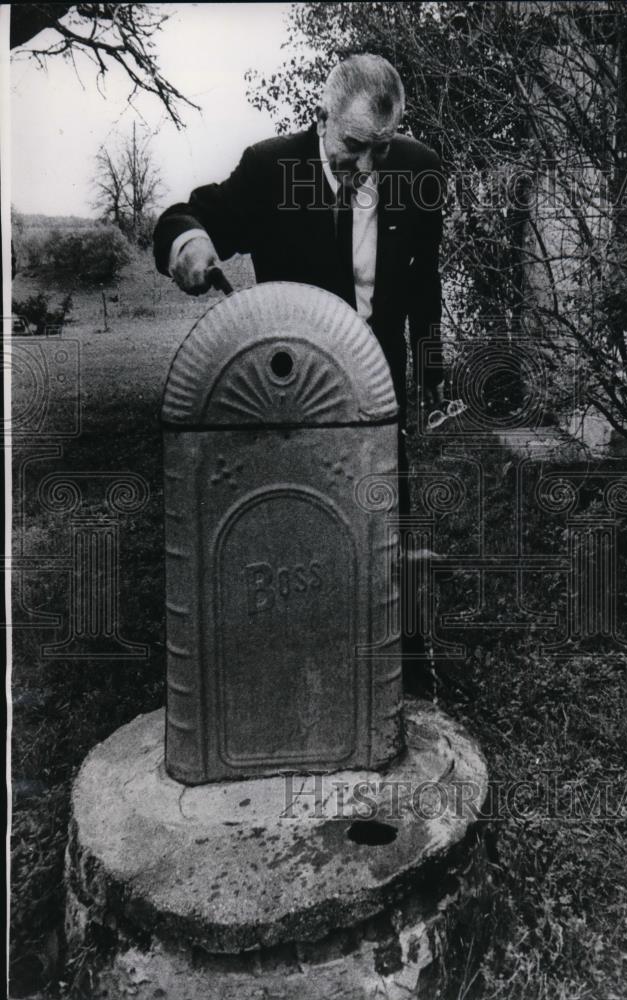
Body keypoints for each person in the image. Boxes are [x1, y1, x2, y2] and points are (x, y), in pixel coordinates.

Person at [153, 53, 445, 693]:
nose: (367, 167)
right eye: (356, 147)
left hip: (378, 387)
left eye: (383, 148)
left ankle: (397, 660)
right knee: (296, 528)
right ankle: (294, 661)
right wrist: (189, 243)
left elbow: (425, 283)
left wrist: (431, 369)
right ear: (323, 118)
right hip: (290, 392)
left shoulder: (418, 170)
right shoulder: (269, 168)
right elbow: (189, 215)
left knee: (382, 522)